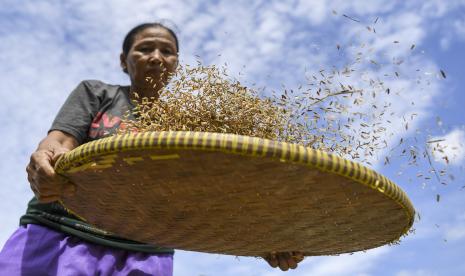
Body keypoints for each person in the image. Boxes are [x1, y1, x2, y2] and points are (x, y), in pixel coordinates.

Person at [0, 22, 304, 275]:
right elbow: (60, 142)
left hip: (142, 255)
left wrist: (264, 238)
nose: (156, 57)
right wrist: (46, 160)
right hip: (56, 233)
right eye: (145, 48)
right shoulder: (97, 93)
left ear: (176, 64)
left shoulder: (191, 129)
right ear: (124, 60)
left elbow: (205, 199)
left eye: (167, 51)